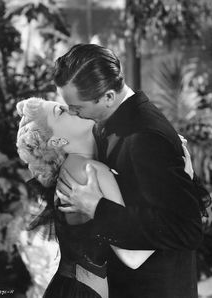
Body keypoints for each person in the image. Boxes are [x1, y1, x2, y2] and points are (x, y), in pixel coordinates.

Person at [53, 44, 211, 298]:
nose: (72, 113)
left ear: (108, 97)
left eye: (77, 107)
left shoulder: (144, 136)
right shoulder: (116, 121)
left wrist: (96, 208)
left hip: (155, 289)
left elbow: (186, 229)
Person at [16, 97, 163, 298]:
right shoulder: (89, 170)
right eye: (60, 111)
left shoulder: (78, 166)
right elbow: (133, 255)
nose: (71, 109)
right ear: (57, 140)